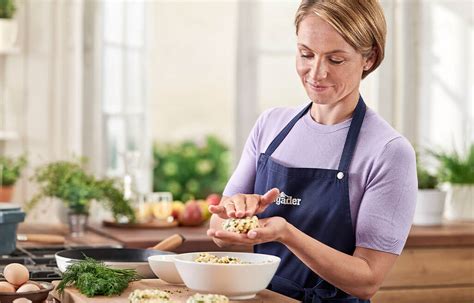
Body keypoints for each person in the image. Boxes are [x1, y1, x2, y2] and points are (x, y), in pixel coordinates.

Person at [207, 0, 417, 302]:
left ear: (368, 58)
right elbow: (218, 227)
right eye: (306, 54)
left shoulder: (388, 152)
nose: (316, 73)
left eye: (336, 60)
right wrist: (239, 210)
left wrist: (285, 233)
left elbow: (367, 280)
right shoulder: (270, 125)